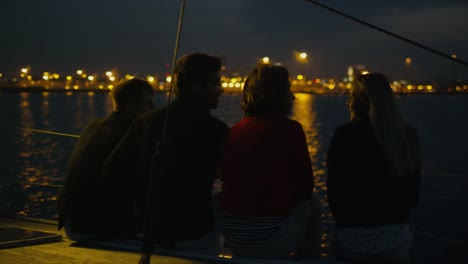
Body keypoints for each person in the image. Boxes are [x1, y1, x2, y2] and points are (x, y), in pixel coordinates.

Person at [101, 53, 228, 252]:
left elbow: (111, 170)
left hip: (150, 233)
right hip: (193, 233)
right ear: (196, 86)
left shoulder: (146, 121)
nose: (221, 90)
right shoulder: (216, 130)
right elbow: (232, 178)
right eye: (215, 83)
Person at [217, 64, 321, 258]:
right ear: (281, 94)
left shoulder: (234, 131)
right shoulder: (291, 130)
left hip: (233, 237)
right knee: (314, 203)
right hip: (270, 237)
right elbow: (306, 188)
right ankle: (308, 259)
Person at [326, 73, 421, 263]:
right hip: (394, 239)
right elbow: (412, 197)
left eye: (351, 96)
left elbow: (334, 193)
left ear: (361, 102)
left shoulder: (343, 135)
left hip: (351, 240)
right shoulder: (407, 135)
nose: (347, 103)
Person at [57, 78, 155, 241]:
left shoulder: (94, 125)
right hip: (95, 225)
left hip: (70, 221)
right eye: (148, 103)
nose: (153, 109)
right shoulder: (132, 134)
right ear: (130, 105)